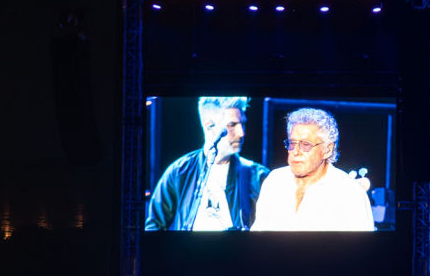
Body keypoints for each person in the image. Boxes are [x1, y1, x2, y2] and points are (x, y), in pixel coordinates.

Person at [145, 96, 266, 230]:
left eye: (243, 124)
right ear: (209, 126)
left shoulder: (258, 176)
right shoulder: (179, 172)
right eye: (232, 125)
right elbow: (153, 227)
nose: (241, 133)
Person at [251, 108, 377, 231]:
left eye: (306, 145)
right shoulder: (275, 181)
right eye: (292, 143)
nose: (296, 152)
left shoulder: (350, 193)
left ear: (328, 150)